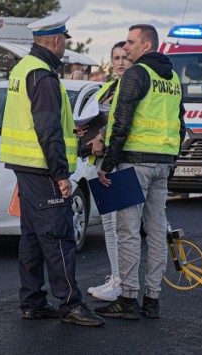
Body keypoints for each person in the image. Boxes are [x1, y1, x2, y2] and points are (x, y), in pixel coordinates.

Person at [0, 14, 104, 327]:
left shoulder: (24, 69)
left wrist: (76, 136)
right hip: (43, 168)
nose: (65, 45)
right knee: (59, 237)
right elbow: (46, 129)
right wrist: (61, 175)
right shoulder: (44, 76)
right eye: (65, 40)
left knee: (32, 237)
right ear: (57, 41)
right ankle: (70, 304)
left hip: (26, 166)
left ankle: (32, 301)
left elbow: (40, 124)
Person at [94, 24, 185, 320]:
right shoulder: (172, 79)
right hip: (162, 163)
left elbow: (122, 120)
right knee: (157, 231)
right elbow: (180, 125)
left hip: (133, 162)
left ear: (146, 45)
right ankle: (152, 300)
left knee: (127, 231)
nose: (127, 47)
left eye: (131, 42)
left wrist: (108, 162)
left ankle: (128, 299)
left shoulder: (137, 74)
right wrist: (172, 160)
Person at [81, 41, 131, 301]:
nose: (120, 62)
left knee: (122, 228)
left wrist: (100, 135)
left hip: (120, 161)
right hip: (104, 162)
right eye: (116, 57)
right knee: (111, 227)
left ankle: (121, 283)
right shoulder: (110, 88)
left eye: (124, 57)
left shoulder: (131, 86)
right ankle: (116, 279)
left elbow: (122, 122)